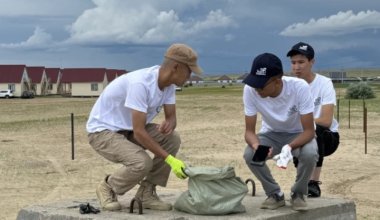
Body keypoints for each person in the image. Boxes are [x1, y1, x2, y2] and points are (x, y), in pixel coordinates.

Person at [86, 43, 203, 211]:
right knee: (141, 162)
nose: (190, 76)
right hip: (102, 131)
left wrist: (169, 124)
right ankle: (108, 187)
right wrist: (170, 160)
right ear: (176, 67)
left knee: (172, 138)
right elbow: (140, 132)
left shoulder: (169, 85)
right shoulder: (140, 84)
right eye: (189, 71)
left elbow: (171, 118)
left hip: (129, 129)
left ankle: (146, 193)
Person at [242, 53, 318, 211]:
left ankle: (298, 193)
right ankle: (275, 194)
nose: (256, 89)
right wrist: (257, 146)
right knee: (251, 155)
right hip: (271, 135)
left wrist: (289, 147)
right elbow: (249, 132)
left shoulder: (299, 88)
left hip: (299, 134)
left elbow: (309, 131)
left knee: (309, 153)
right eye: (254, 83)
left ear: (277, 80)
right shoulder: (250, 90)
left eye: (261, 85)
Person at [287, 42, 340, 197]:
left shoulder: (324, 83)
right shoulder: (289, 85)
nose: (297, 67)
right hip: (299, 133)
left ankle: (313, 183)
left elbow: (326, 120)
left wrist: (303, 123)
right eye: (293, 63)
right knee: (298, 134)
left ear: (312, 62)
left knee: (317, 130)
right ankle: (301, 182)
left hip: (327, 138)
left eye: (301, 62)